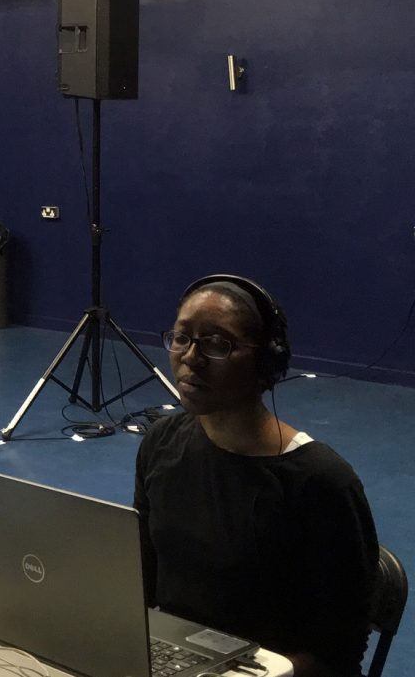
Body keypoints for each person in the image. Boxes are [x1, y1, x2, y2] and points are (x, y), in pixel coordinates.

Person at [134, 274, 379, 677]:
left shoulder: (321, 482)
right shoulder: (161, 443)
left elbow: (337, 656)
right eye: (181, 338)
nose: (190, 357)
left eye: (217, 344)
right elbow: (139, 582)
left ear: (266, 362)